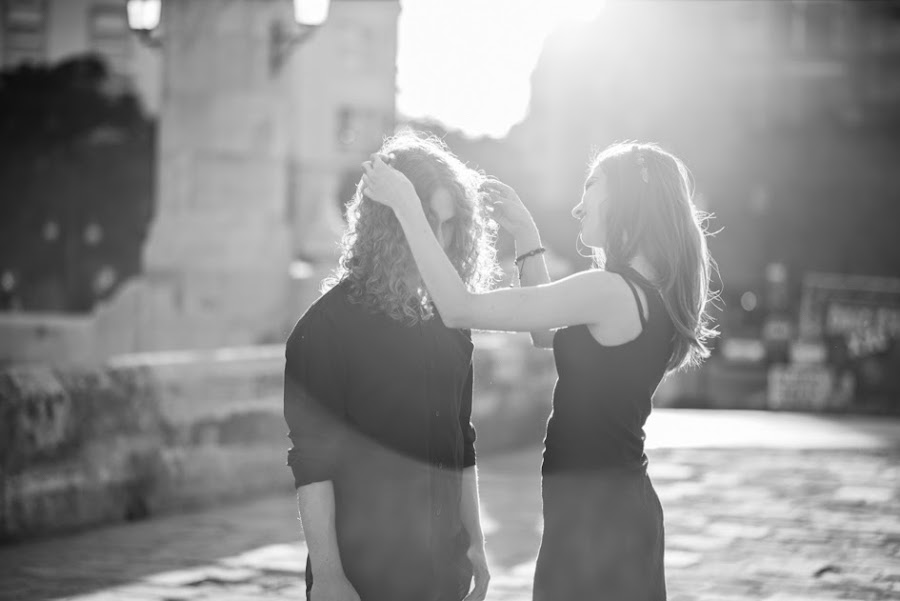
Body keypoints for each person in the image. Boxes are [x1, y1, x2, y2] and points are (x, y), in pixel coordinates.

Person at [362, 141, 718, 601]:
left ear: (626, 197)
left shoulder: (609, 291)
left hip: (597, 522)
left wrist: (407, 204)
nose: (576, 207)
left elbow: (458, 307)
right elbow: (547, 333)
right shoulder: (645, 295)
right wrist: (527, 236)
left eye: (591, 185)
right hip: (607, 511)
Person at [283, 132, 499, 601]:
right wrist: (328, 576)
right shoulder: (325, 327)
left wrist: (476, 543)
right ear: (386, 223)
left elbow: (461, 440)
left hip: (445, 571)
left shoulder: (452, 320)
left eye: (448, 225)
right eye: (425, 222)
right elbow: (312, 462)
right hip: (363, 577)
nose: (439, 241)